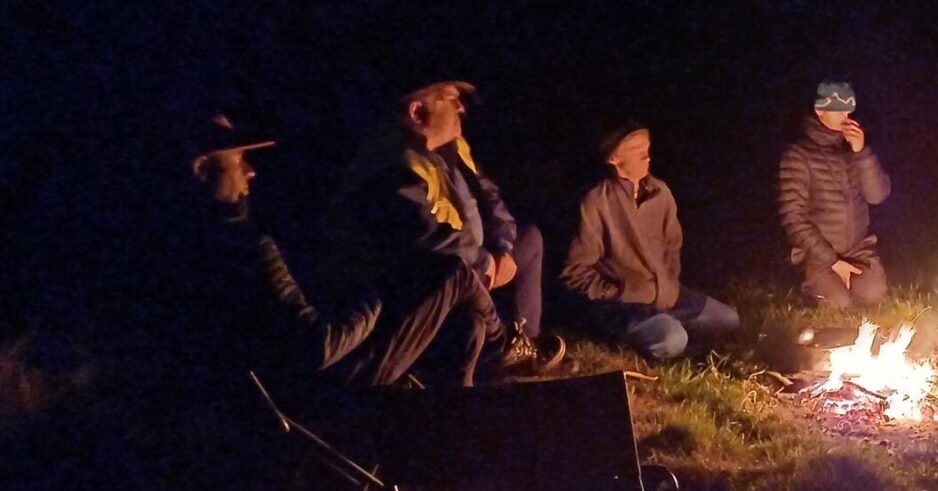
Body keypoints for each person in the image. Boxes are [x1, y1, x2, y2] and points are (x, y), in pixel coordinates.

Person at [193, 114, 490, 390]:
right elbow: (317, 347)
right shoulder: (245, 246)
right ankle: (504, 348)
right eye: (237, 159)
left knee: (464, 318)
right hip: (323, 392)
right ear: (203, 170)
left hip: (312, 377)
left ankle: (457, 416)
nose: (250, 170)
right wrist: (373, 295)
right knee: (453, 273)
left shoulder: (208, 241)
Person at [331, 78, 560, 380]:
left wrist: (502, 248)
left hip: (471, 261)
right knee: (469, 320)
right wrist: (483, 261)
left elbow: (490, 198)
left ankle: (521, 345)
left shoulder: (448, 150)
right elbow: (428, 235)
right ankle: (498, 354)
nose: (461, 108)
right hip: (432, 281)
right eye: (451, 100)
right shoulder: (391, 163)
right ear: (417, 112)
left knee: (529, 240)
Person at [561, 122, 742, 361]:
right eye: (637, 149)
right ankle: (629, 335)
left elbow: (672, 246)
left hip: (665, 295)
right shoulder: (596, 201)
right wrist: (616, 292)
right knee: (672, 340)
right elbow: (574, 272)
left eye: (647, 147)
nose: (647, 155)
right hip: (624, 302)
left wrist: (667, 283)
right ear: (615, 159)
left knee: (728, 321)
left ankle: (666, 327)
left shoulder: (660, 193)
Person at [777, 80, 891, 309]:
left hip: (858, 248)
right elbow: (793, 218)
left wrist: (861, 151)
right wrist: (833, 261)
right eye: (838, 110)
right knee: (837, 303)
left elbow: (877, 196)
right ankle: (809, 282)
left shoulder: (853, 149)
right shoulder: (798, 155)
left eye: (848, 109)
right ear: (819, 111)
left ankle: (851, 282)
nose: (845, 116)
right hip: (818, 256)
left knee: (874, 294)